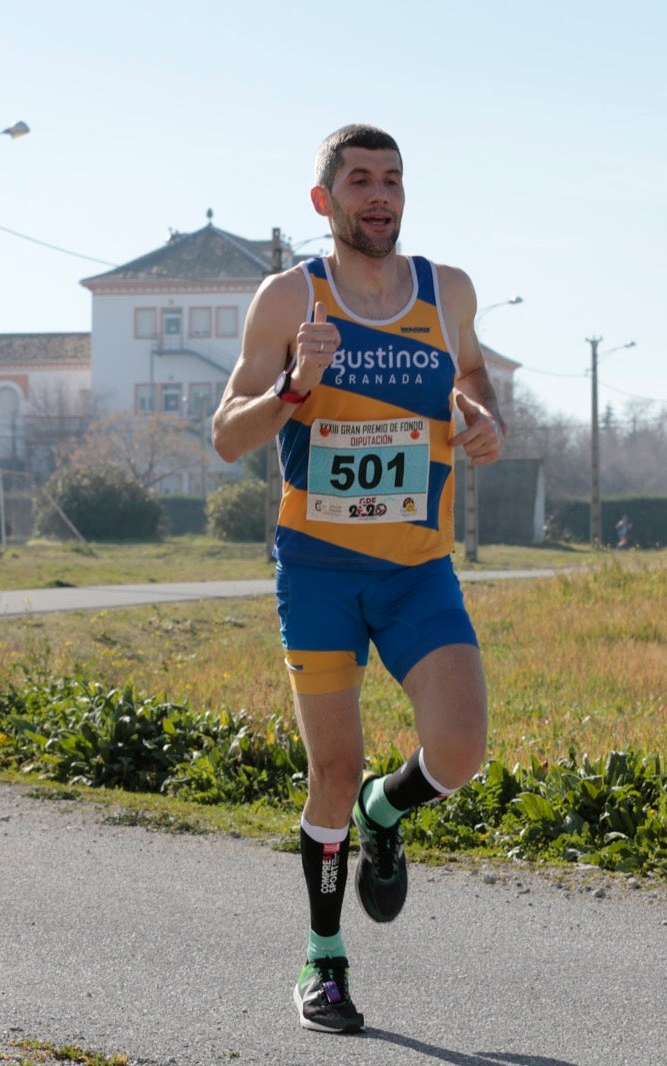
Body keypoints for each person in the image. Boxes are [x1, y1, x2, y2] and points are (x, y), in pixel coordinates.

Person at [211, 124, 506, 1035]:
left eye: (393, 181)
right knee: (330, 771)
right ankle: (324, 962)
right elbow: (227, 434)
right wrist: (292, 392)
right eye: (360, 181)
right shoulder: (288, 297)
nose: (379, 196)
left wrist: (482, 416)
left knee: (459, 754)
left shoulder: (444, 290)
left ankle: (390, 809)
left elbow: (471, 377)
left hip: (419, 567)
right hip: (320, 571)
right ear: (324, 201)